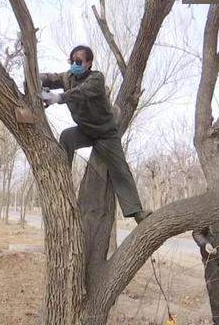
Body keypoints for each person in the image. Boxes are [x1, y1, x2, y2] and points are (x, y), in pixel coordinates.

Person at [39, 45, 151, 223]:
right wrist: (37, 78)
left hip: (106, 133)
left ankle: (137, 212)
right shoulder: (68, 77)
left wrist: (57, 98)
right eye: (72, 60)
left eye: (79, 61)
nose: (75, 64)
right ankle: (62, 184)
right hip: (85, 130)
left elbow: (80, 93)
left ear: (89, 63)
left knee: (120, 170)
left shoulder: (96, 78)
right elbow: (51, 78)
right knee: (66, 137)